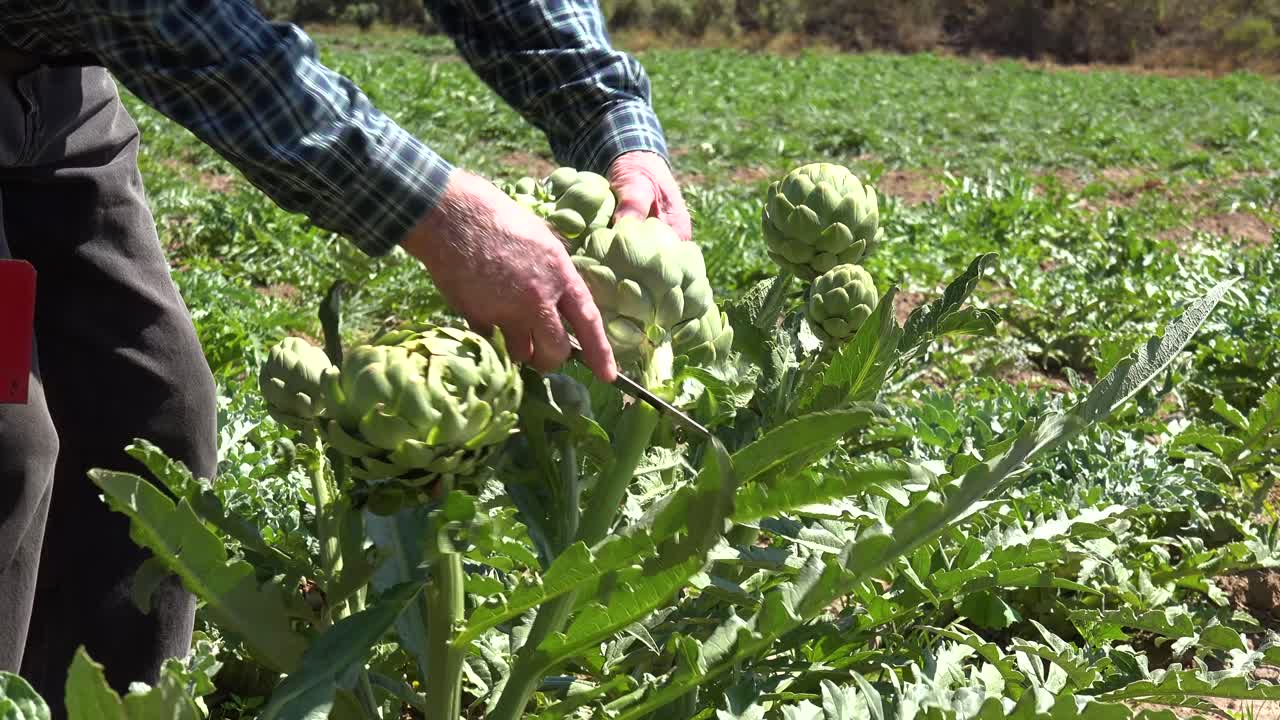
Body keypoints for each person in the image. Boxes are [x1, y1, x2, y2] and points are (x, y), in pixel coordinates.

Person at [0, 0, 690, 715]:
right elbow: (169, 17)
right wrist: (438, 212)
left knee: (153, 418)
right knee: (8, 443)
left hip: (57, 100)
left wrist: (615, 122)